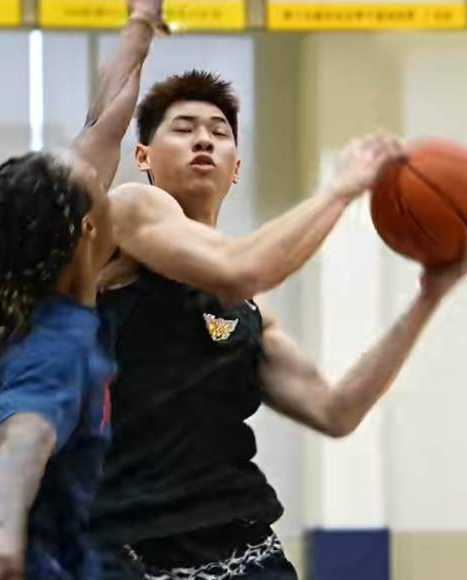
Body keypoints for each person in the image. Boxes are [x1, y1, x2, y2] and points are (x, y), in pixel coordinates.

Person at [91, 70, 467, 579]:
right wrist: (340, 188)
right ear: (143, 157)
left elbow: (335, 410)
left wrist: (428, 297)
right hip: (136, 553)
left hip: (246, 547)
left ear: (236, 168)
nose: (203, 139)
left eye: (219, 131)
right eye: (183, 128)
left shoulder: (248, 305)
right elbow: (241, 266)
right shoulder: (131, 209)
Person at [0, 2, 165, 579]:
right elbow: (24, 434)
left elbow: (108, 115)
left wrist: (141, 22)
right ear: (86, 228)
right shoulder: (55, 343)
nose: (101, 172)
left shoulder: (29, 281)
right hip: (5, 559)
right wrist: (0, 529)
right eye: (95, 186)